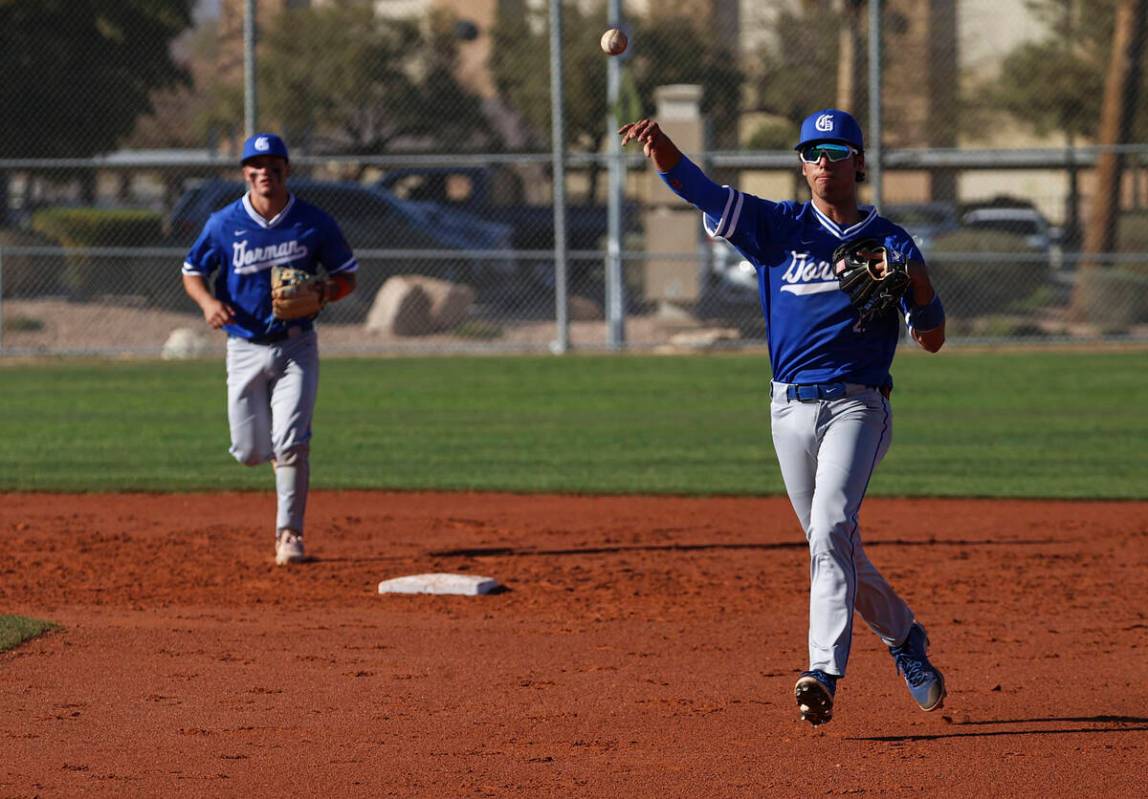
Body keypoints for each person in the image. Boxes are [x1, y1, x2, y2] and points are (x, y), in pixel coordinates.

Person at [620, 109, 948, 726]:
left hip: (858, 403)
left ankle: (822, 671)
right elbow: (696, 188)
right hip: (787, 406)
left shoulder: (892, 241)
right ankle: (905, 638)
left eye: (836, 149)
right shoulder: (777, 226)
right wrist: (662, 146)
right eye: (812, 150)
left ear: (858, 161)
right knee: (832, 541)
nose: (824, 159)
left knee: (830, 527)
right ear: (802, 164)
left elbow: (930, 340)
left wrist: (921, 285)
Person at [181, 132, 358, 566]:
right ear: (245, 173)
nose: (264, 172)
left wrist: (323, 291)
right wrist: (208, 303)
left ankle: (289, 535)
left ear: (286, 170)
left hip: (297, 346)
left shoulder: (313, 222)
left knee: (292, 442)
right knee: (249, 453)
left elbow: (347, 275)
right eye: (255, 166)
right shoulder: (223, 223)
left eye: (272, 164)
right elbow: (191, 271)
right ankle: (275, 466)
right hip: (243, 346)